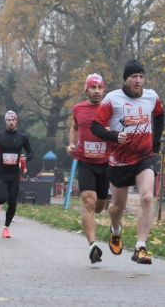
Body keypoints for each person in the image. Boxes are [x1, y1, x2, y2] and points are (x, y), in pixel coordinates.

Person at [91, 60, 164, 266]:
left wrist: (155, 144)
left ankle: (140, 247)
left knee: (147, 197)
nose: (138, 81)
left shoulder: (152, 96)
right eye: (134, 77)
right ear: (126, 79)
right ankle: (116, 230)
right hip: (119, 160)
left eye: (141, 76)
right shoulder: (112, 99)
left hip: (144, 157)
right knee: (118, 207)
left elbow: (159, 115)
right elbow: (96, 127)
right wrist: (114, 136)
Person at [67, 73, 110, 265]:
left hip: (106, 163)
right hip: (85, 161)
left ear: (104, 90)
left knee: (99, 206)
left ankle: (96, 224)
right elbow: (75, 128)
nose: (97, 91)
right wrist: (71, 144)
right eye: (93, 87)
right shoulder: (78, 109)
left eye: (100, 88)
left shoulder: (111, 108)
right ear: (87, 90)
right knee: (88, 202)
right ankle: (93, 245)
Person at [0, 111, 34, 238]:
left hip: (14, 175)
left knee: (13, 202)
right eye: (9, 120)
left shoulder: (22, 137)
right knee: (2, 198)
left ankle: (6, 228)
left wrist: (26, 158)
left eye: (13, 120)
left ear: (16, 121)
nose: (11, 122)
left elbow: (31, 153)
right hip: (1, 174)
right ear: (5, 121)